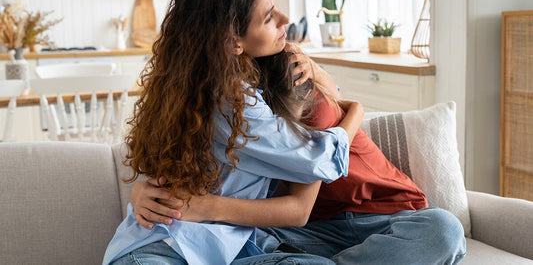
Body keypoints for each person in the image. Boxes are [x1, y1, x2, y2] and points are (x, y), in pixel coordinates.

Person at [103, 0, 365, 265]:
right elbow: (317, 159)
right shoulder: (232, 100)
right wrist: (357, 110)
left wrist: (313, 68)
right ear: (232, 42)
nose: (285, 20)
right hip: (162, 252)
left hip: (203, 249)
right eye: (269, 18)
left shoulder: (192, 85)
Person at [132, 50, 467, 264]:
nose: (283, 24)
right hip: (307, 235)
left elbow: (317, 165)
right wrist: (144, 191)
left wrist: (341, 97)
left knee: (443, 230)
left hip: (386, 215)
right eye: (268, 18)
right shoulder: (239, 112)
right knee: (240, 240)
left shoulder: (298, 86)